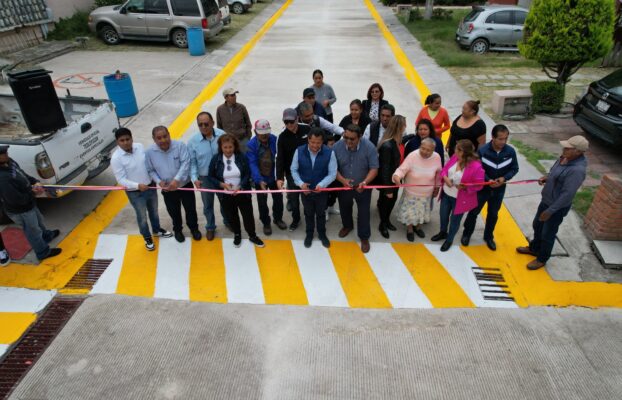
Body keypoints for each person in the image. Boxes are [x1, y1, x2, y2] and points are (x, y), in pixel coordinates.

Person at [516, 135, 589, 270]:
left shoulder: (577, 170)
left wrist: (550, 211)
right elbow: (555, 173)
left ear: (578, 152)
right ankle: (534, 248)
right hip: (546, 201)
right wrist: (547, 178)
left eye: (568, 148)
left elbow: (567, 195)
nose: (564, 149)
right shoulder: (564, 158)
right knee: (537, 225)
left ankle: (542, 258)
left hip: (556, 208)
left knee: (548, 233)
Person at [111, 128, 173, 251]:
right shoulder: (116, 158)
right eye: (122, 140)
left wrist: (156, 180)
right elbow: (121, 179)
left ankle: (156, 230)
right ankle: (147, 237)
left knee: (154, 211)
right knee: (142, 216)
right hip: (135, 193)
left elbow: (149, 165)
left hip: (150, 186)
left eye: (127, 139)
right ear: (117, 142)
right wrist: (137, 185)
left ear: (132, 138)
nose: (125, 142)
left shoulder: (139, 147)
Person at [462, 124, 519, 251]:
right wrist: (488, 180)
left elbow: (515, 168)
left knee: (493, 214)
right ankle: (467, 233)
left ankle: (488, 236)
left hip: (499, 191)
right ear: (492, 137)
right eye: (500, 139)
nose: (503, 142)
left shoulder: (510, 152)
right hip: (482, 189)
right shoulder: (482, 151)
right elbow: (477, 169)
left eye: (505, 138)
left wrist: (504, 178)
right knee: (473, 212)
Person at [0, 145, 61, 261]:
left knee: (39, 220)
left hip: (29, 203)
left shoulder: (9, 162)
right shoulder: (2, 179)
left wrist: (35, 182)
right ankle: (43, 252)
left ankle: (46, 236)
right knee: (32, 231)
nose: (6, 153)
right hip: (21, 210)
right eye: (3, 153)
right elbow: (15, 199)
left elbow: (22, 174)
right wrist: (33, 193)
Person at [208, 134, 265, 248]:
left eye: (230, 147)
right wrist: (222, 184)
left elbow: (247, 173)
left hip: (242, 193)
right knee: (232, 216)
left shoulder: (241, 157)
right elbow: (211, 176)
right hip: (226, 195)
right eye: (225, 147)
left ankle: (252, 235)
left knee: (247, 215)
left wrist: (240, 186)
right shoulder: (216, 159)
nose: (228, 150)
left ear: (235, 147)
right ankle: (237, 234)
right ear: (221, 147)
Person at [146, 126, 201, 243]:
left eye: (165, 136)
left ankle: (194, 229)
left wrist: (176, 180)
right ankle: (178, 230)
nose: (163, 140)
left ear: (169, 134)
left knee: (190, 209)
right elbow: (150, 170)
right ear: (154, 139)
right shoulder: (150, 152)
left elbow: (186, 163)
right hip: (167, 189)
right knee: (173, 211)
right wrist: (159, 181)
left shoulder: (180, 146)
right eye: (159, 138)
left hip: (184, 185)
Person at [431, 139, 485, 252]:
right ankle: (442, 232)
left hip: (460, 199)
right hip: (446, 194)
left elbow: (479, 185)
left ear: (463, 152)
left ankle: (449, 240)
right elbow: (444, 170)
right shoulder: (455, 158)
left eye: (457, 148)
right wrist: (445, 179)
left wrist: (465, 187)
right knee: (443, 215)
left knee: (455, 221)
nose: (454, 150)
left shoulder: (476, 166)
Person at [333, 124, 379, 253]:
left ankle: (364, 237)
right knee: (344, 208)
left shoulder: (369, 147)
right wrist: (342, 181)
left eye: (352, 139)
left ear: (360, 137)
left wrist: (364, 182)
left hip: (363, 186)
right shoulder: (337, 147)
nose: (348, 141)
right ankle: (347, 226)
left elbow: (374, 168)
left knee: (364, 212)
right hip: (344, 186)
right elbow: (332, 168)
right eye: (346, 137)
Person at [290, 127, 337, 248]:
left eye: (318, 142)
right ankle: (309, 234)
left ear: (322, 142)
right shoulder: (299, 151)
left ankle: (322, 234)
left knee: (321, 214)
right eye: (312, 142)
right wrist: (301, 184)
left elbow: (332, 173)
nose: (315, 145)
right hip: (305, 191)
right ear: (308, 140)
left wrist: (322, 184)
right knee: (308, 213)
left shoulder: (329, 153)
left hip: (322, 191)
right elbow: (293, 170)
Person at [188, 111, 228, 241]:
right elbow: (192, 163)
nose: (204, 127)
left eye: (206, 124)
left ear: (212, 123)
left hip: (222, 178)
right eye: (200, 125)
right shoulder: (193, 141)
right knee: (207, 205)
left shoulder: (223, 135)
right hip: (205, 179)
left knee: (225, 202)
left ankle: (228, 222)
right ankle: (210, 227)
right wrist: (195, 179)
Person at [392, 138, 442, 242]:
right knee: (410, 213)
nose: (424, 151)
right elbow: (402, 169)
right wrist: (397, 176)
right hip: (411, 192)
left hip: (426, 192)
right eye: (422, 148)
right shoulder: (413, 155)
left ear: (433, 150)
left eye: (428, 150)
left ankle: (418, 227)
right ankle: (410, 229)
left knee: (421, 212)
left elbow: (438, 174)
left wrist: (437, 187)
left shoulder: (437, 157)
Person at [246, 119, 287, 235]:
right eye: (261, 133)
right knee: (262, 203)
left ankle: (278, 218)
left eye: (266, 132)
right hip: (260, 179)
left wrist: (280, 176)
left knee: (278, 200)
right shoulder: (250, 145)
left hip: (274, 177)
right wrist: (259, 180)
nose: (264, 135)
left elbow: (279, 158)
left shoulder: (275, 139)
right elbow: (252, 164)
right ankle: (266, 223)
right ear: (255, 132)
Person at [276, 108, 311, 232]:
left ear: (297, 119)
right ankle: (296, 219)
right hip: (292, 174)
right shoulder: (282, 137)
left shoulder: (307, 129)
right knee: (294, 200)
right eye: (286, 122)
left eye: (291, 121)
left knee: (308, 198)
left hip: (307, 171)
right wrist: (279, 178)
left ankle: (309, 219)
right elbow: (279, 159)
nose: (289, 125)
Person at [376, 115, 407, 239]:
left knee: (391, 203)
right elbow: (384, 169)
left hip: (394, 180)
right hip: (388, 182)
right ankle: (382, 224)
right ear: (399, 127)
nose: (406, 127)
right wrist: (388, 189)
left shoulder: (395, 141)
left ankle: (387, 220)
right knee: (385, 204)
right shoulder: (387, 146)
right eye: (404, 125)